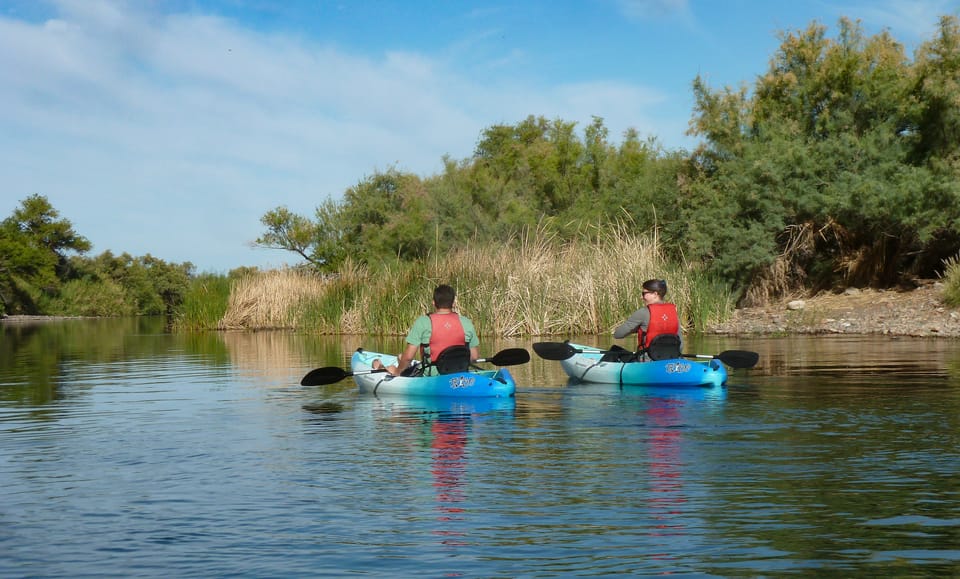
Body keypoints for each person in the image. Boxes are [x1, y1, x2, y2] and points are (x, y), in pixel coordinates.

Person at [373, 284, 480, 376]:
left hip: (431, 376)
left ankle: (381, 366)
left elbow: (409, 356)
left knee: (385, 364)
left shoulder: (423, 322)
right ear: (453, 303)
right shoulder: (466, 322)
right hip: (459, 373)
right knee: (401, 358)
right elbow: (474, 357)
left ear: (433, 302)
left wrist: (398, 371)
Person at [612, 278, 682, 360]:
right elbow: (681, 345)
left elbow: (618, 334)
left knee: (614, 350)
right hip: (672, 357)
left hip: (649, 360)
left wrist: (636, 329)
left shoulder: (643, 312)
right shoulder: (673, 312)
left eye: (644, 293)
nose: (641, 297)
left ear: (655, 294)